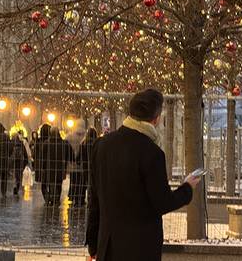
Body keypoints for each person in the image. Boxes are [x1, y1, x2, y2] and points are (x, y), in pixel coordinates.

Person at [86, 89, 201, 261]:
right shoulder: (152, 153)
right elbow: (162, 202)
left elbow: (94, 199)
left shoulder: (101, 145)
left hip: (108, 247)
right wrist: (187, 188)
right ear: (156, 119)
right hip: (141, 248)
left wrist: (93, 245)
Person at [42, 127, 73, 205]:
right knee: (59, 184)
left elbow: (43, 157)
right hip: (60, 168)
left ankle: (50, 198)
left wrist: (43, 167)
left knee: (50, 183)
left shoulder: (46, 143)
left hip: (49, 168)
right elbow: (70, 155)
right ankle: (56, 200)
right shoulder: (64, 143)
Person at [70, 128, 98, 206]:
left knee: (83, 185)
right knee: (94, 185)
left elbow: (78, 157)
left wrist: (79, 163)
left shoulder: (83, 144)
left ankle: (81, 201)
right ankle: (92, 201)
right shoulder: (97, 143)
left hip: (85, 167)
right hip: (95, 167)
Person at [0, 123, 12, 197]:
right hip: (4, 159)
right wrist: (8, 155)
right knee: (4, 177)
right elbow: (10, 148)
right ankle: (3, 192)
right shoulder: (6, 137)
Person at [33, 124, 51, 200]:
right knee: (50, 182)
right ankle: (50, 197)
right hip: (49, 165)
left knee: (43, 184)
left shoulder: (38, 141)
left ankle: (46, 198)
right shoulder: (51, 141)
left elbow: (34, 154)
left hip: (41, 165)